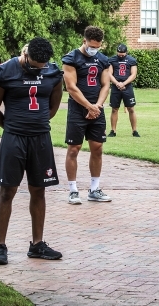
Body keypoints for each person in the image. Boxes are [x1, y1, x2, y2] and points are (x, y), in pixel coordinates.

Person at [0, 37, 64, 265]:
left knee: (39, 190)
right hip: (14, 138)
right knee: (7, 191)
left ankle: (37, 244)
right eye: (34, 64)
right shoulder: (5, 71)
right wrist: (13, 128)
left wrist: (36, 124)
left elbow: (53, 107)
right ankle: (1, 246)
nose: (38, 68)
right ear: (26, 54)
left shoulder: (53, 73)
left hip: (41, 138)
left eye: (42, 65)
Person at [63, 26, 111, 205]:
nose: (94, 50)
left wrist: (97, 106)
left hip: (97, 109)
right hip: (77, 109)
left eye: (97, 47)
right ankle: (73, 190)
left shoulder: (103, 60)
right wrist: (88, 106)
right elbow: (71, 87)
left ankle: (94, 188)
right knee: (74, 149)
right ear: (84, 41)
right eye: (91, 46)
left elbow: (105, 85)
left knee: (97, 148)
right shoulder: (71, 58)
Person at [107, 44, 140, 138]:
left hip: (127, 87)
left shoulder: (132, 60)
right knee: (114, 109)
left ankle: (134, 131)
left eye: (122, 53)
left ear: (126, 52)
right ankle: (113, 130)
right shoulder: (112, 60)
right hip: (115, 87)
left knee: (131, 109)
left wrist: (124, 83)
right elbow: (109, 73)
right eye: (119, 53)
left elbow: (133, 74)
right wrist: (117, 83)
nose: (121, 55)